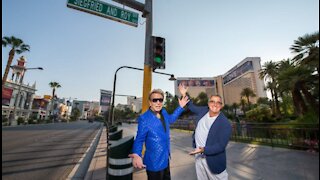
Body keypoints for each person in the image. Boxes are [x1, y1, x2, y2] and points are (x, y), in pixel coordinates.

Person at [129, 89, 189, 180]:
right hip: (154, 162)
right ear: (150, 102)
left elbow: (171, 119)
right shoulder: (144, 118)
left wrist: (180, 107)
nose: (158, 102)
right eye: (154, 100)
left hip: (165, 158)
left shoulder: (164, 112)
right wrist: (137, 154)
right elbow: (139, 139)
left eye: (160, 100)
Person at [178, 83, 232, 180]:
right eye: (212, 101)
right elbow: (191, 106)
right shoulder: (204, 111)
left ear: (221, 106)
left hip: (213, 161)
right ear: (208, 103)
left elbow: (220, 146)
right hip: (198, 157)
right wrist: (184, 94)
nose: (215, 104)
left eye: (218, 102)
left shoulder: (225, 124)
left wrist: (203, 150)